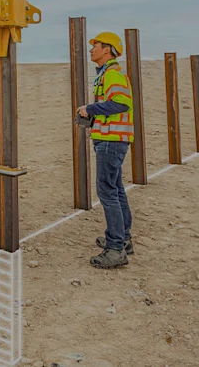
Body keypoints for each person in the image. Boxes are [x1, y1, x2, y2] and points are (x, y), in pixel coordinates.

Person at [74, 31, 135, 268]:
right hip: (110, 139)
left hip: (111, 140)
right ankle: (123, 239)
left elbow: (121, 103)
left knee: (107, 192)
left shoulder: (112, 74)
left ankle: (115, 249)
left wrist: (90, 109)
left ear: (107, 49)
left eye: (95, 46)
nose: (91, 50)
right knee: (116, 189)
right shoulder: (105, 75)